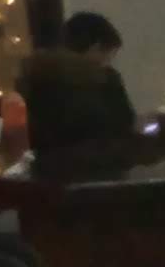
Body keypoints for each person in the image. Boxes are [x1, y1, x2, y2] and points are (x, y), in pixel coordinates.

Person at [18, 13, 142, 175]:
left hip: (47, 173)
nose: (108, 62)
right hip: (101, 172)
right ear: (96, 47)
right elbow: (122, 125)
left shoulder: (37, 77)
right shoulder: (104, 80)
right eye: (108, 55)